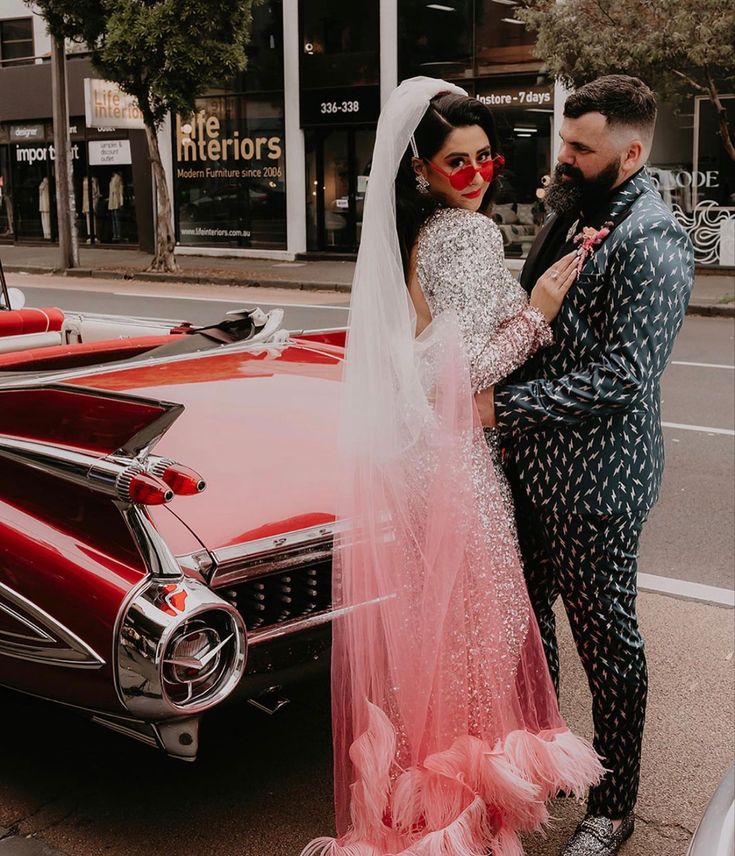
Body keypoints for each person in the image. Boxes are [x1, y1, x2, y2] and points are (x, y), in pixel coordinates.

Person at [301, 77, 603, 856]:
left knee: (432, 643)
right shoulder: (462, 238)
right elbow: (466, 371)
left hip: (414, 467)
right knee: (478, 635)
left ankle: (433, 803)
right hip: (455, 471)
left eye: (483, 159)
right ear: (423, 170)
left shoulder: (408, 239)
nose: (475, 175)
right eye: (455, 163)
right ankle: (469, 818)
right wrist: (536, 312)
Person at [475, 75, 695, 856]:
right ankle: (548, 762)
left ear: (631, 152)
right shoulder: (574, 205)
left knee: (607, 640)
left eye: (580, 148)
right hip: (526, 471)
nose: (560, 157)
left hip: (597, 481)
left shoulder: (652, 237)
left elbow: (622, 375)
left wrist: (500, 409)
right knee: (530, 629)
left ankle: (613, 806)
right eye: (561, 141)